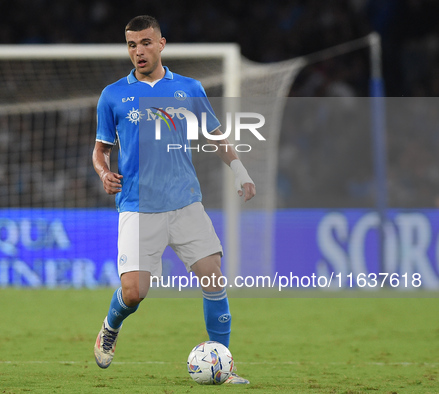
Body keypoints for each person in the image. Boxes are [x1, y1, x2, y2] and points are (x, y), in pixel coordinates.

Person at [92, 15, 255, 385]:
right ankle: (110, 325)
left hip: (185, 203)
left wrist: (239, 169)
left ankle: (223, 368)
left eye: (146, 43)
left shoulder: (189, 88)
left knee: (213, 278)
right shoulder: (113, 95)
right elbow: (99, 151)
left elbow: (215, 134)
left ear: (161, 43)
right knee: (134, 294)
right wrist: (104, 173)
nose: (139, 51)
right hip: (137, 206)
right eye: (132, 45)